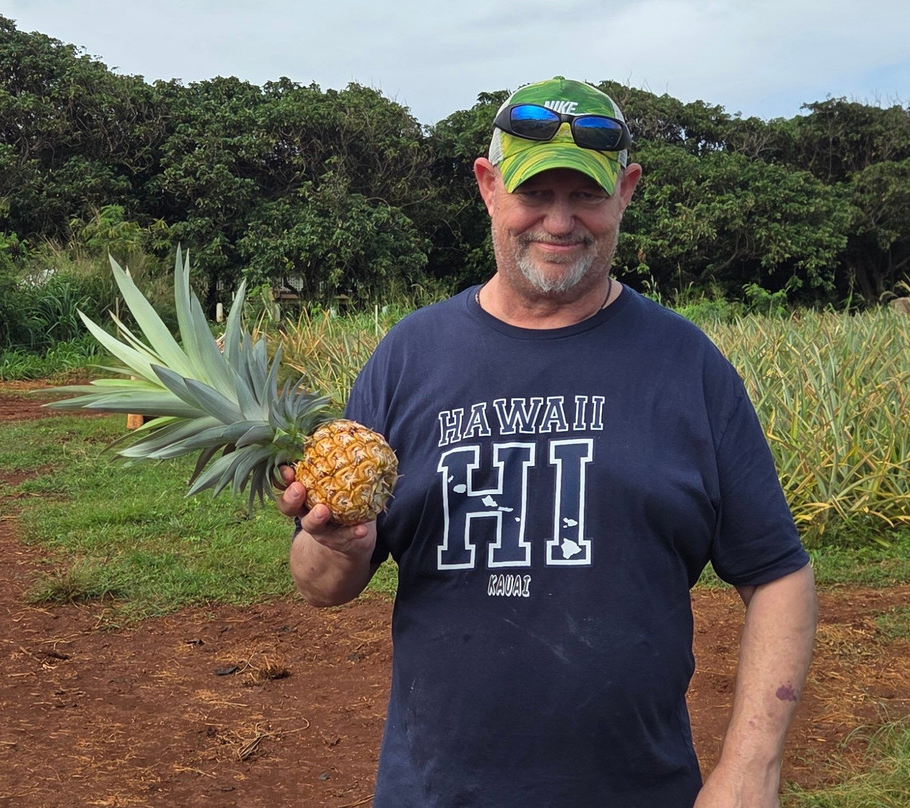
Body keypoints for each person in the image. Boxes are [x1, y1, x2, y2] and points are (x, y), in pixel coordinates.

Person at [280, 76, 817, 808]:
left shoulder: (686, 364)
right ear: (488, 186)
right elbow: (321, 586)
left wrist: (752, 771)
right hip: (436, 794)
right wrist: (336, 546)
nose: (559, 222)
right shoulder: (410, 356)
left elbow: (778, 574)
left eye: (585, 195)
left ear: (625, 191)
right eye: (535, 193)